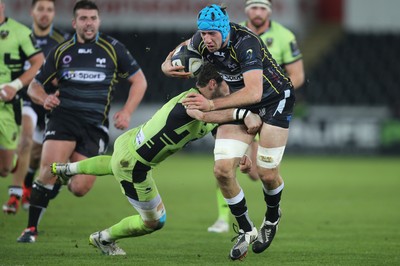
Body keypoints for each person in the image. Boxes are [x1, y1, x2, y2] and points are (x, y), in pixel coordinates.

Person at [50, 62, 261, 255]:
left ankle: (68, 169)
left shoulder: (207, 104)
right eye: (228, 84)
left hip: (129, 143)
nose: (231, 90)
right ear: (213, 83)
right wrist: (243, 114)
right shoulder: (193, 100)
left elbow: (218, 133)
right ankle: (103, 239)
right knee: (155, 221)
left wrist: (239, 154)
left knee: (113, 162)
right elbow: (204, 117)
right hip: (135, 166)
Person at [162, 4, 295, 260]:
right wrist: (166, 66)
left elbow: (254, 93)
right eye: (203, 33)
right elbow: (178, 51)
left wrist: (211, 105)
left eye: (212, 33)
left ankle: (272, 217)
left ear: (223, 29)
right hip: (242, 102)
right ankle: (246, 230)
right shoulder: (200, 40)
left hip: (275, 100)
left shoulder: (247, 43)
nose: (207, 39)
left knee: (266, 173)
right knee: (222, 170)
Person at [17, 0, 147, 243]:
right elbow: (35, 85)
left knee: (79, 189)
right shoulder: (61, 50)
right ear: (75, 22)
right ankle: (30, 230)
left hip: (94, 126)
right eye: (84, 19)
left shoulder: (113, 48)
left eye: (93, 18)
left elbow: (140, 81)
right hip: (63, 119)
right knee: (48, 171)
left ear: (99, 21)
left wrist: (127, 112)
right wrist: (44, 98)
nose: (89, 23)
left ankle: (59, 181)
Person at [207, 0, 305, 234]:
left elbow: (297, 75)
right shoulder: (229, 32)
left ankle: (271, 214)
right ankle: (223, 217)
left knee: (260, 173)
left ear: (269, 11)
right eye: (253, 7)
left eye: (262, 8)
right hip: (243, 105)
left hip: (270, 103)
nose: (257, 12)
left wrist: (277, 94)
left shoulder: (284, 36)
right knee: (225, 164)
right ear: (247, 10)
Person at [2, 0, 70, 215]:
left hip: (52, 103)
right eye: (40, 9)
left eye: (49, 10)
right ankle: (16, 194)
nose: (44, 14)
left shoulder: (63, 40)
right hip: (27, 98)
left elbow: (69, 70)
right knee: (26, 137)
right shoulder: (21, 36)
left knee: (38, 156)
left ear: (53, 13)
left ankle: (28, 184)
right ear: (32, 12)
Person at [0, 0, 44, 203]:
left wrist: (15, 85)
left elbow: (38, 61)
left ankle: (14, 161)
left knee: (5, 168)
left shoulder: (19, 32)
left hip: (7, 105)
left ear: (2, 6)